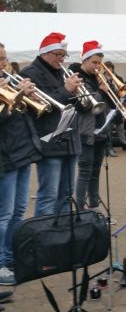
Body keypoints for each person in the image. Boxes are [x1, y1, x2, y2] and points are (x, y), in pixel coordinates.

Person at [21, 33, 82, 217]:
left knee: (66, 195)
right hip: (49, 141)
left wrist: (79, 95)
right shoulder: (30, 74)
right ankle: (44, 239)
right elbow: (44, 106)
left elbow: (70, 106)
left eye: (64, 55)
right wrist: (66, 89)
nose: (62, 59)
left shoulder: (62, 72)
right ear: (45, 53)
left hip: (69, 139)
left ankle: (62, 238)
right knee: (49, 196)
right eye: (58, 55)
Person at [0, 45, 41, 285]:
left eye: (5, 59)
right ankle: (2, 263)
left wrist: (25, 97)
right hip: (5, 156)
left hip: (22, 151)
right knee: (4, 214)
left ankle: (12, 256)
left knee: (19, 210)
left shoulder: (6, 82)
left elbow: (22, 116)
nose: (3, 64)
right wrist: (15, 95)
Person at [69, 41, 112, 211]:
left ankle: (94, 208)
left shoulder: (97, 77)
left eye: (99, 63)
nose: (97, 66)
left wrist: (110, 89)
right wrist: (101, 91)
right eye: (94, 62)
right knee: (85, 173)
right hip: (85, 132)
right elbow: (84, 104)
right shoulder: (77, 76)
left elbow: (109, 104)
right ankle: (79, 210)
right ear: (85, 60)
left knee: (95, 172)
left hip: (101, 129)